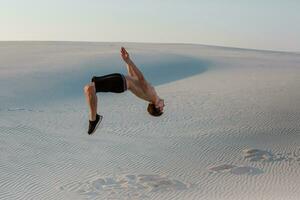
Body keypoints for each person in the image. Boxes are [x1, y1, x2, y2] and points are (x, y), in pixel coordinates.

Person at [84, 47, 165, 135]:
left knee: (90, 88)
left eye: (162, 107)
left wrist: (129, 61)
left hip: (120, 82)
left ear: (157, 106)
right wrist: (127, 61)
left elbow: (141, 79)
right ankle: (94, 118)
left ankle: (94, 119)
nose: (163, 105)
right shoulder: (151, 96)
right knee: (89, 88)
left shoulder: (152, 95)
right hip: (120, 80)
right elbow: (133, 77)